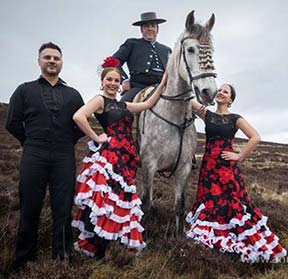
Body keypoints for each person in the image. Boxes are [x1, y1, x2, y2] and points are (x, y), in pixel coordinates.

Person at [72, 56, 167, 258]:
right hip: (108, 156)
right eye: (110, 80)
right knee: (105, 199)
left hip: (125, 158)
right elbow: (79, 116)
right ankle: (98, 245)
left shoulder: (124, 105)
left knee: (119, 200)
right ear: (102, 82)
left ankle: (111, 242)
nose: (113, 84)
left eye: (117, 80)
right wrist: (96, 137)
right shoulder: (100, 100)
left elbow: (149, 103)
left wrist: (164, 81)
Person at [185, 84, 287, 263]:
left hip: (227, 169)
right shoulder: (207, 114)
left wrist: (239, 155)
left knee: (232, 204)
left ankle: (235, 239)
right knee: (210, 203)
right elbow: (187, 98)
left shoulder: (235, 118)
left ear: (231, 99)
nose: (221, 93)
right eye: (220, 90)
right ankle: (213, 243)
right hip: (208, 169)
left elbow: (255, 137)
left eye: (226, 91)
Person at [5, 42, 85, 269]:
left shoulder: (73, 94)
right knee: (29, 207)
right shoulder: (24, 90)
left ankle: (61, 259)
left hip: (64, 156)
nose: (52, 61)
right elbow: (12, 122)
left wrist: (67, 141)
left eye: (56, 58)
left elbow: (82, 123)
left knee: (63, 208)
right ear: (39, 61)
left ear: (61, 63)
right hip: (34, 154)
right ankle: (23, 261)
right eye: (47, 57)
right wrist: (29, 142)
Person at [112, 11, 171, 102]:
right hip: (138, 87)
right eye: (146, 26)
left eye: (153, 26)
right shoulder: (132, 44)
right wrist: (124, 80)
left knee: (187, 106)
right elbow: (114, 61)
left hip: (163, 87)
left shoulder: (167, 50)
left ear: (157, 29)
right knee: (121, 110)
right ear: (141, 29)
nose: (150, 28)